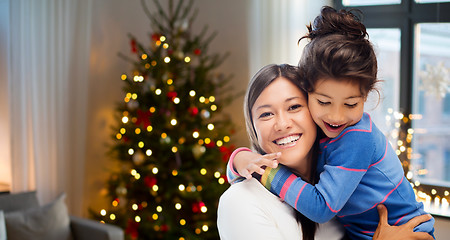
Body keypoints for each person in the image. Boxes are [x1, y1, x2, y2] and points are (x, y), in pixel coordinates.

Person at [226, 6, 435, 240]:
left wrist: (266, 172)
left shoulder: (356, 138)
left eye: (350, 104)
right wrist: (240, 160)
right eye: (324, 102)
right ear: (308, 92)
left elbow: (321, 208)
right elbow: (238, 175)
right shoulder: (322, 138)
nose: (336, 117)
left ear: (366, 97)